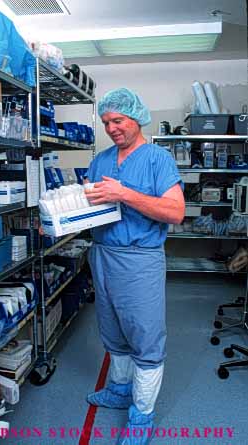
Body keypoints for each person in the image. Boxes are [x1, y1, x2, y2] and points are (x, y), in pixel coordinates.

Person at [84, 88, 185, 445]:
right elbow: (91, 204)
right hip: (103, 254)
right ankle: (120, 388)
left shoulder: (158, 159)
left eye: (118, 120)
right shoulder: (101, 159)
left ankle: (141, 414)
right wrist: (59, 213)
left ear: (136, 117)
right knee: (112, 330)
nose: (111, 128)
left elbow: (175, 212)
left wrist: (124, 193)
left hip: (139, 260)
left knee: (144, 336)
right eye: (106, 122)